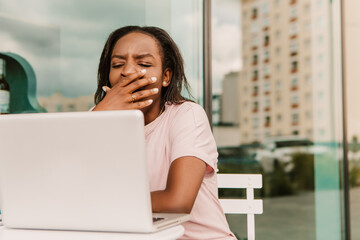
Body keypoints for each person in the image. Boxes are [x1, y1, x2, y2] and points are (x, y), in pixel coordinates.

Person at [92, 26, 236, 240]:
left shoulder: (187, 116)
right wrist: (100, 114)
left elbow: (177, 202)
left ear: (165, 76)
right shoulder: (95, 121)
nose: (128, 71)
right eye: (117, 64)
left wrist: (95, 204)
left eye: (144, 64)